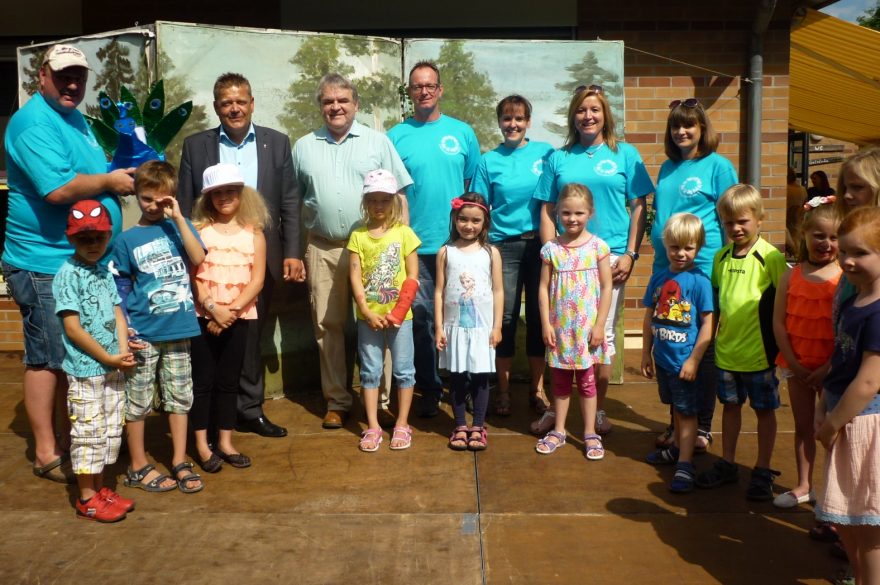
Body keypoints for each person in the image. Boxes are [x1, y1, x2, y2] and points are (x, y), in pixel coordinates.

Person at [2, 43, 134, 484]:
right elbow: (57, 190)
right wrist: (111, 181)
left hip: (81, 261)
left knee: (71, 355)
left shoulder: (74, 118)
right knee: (47, 358)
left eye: (79, 76)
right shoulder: (31, 122)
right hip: (43, 261)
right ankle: (46, 451)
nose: (72, 84)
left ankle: (72, 438)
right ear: (42, 75)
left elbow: (87, 170)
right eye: (63, 76)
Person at [179, 72, 298, 438]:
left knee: (248, 337)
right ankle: (213, 413)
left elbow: (290, 200)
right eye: (227, 102)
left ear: (252, 103)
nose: (235, 108)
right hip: (210, 259)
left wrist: (292, 251)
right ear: (217, 107)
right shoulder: (196, 146)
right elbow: (185, 203)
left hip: (259, 254)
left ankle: (248, 409)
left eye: (241, 101)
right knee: (209, 337)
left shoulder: (276, 143)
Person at [532, 84, 653, 438]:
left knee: (599, 337)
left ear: (605, 115)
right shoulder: (559, 157)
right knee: (558, 334)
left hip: (609, 257)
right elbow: (544, 207)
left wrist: (631, 253)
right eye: (582, 110)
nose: (588, 116)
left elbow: (639, 206)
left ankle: (597, 413)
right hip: (564, 259)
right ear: (574, 114)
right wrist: (551, 253)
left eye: (595, 110)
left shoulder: (625, 154)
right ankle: (557, 412)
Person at [294, 73, 412, 429]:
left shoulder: (377, 142)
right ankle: (338, 401)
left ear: (355, 104)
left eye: (342, 100)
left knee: (385, 321)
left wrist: (399, 244)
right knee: (327, 324)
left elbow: (399, 195)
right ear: (320, 106)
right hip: (325, 247)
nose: (336, 107)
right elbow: (296, 200)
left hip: (377, 250)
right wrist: (298, 251)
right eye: (328, 101)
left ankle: (386, 402)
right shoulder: (303, 146)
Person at [388, 61, 482, 418]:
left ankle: (469, 385)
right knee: (423, 320)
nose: (424, 91)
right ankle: (429, 386)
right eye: (416, 86)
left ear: (440, 90)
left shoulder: (462, 133)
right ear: (409, 93)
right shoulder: (396, 137)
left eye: (430, 85)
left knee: (465, 318)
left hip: (458, 247)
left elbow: (473, 189)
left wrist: (470, 237)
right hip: (415, 248)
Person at [112, 161, 206, 494]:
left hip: (179, 328)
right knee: (137, 401)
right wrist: (127, 333)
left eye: (162, 200)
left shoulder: (181, 228)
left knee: (180, 398)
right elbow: (120, 288)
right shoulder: (126, 240)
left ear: (173, 198)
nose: (154, 206)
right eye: (147, 199)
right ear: (136, 195)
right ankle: (138, 464)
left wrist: (178, 217)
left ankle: (179, 460)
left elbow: (197, 258)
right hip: (144, 333)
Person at [650, 98, 738, 453]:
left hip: (703, 270)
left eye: (689, 125)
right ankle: (677, 424)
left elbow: (732, 217)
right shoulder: (667, 168)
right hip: (667, 270)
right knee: (673, 342)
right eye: (676, 126)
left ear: (702, 128)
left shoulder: (718, 166)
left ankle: (701, 426)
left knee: (703, 346)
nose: (682, 131)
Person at [695, 184, 787, 500]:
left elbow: (783, 304)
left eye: (742, 221)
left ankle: (762, 470)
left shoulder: (771, 257)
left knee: (764, 411)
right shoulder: (720, 258)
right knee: (730, 408)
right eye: (729, 222)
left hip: (759, 354)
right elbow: (719, 303)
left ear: (759, 219)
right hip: (727, 353)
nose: (735, 228)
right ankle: (729, 462)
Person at [53, 200, 135, 522]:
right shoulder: (67, 275)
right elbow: (72, 329)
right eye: (84, 239)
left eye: (98, 238)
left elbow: (117, 315)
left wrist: (123, 350)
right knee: (88, 431)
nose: (92, 245)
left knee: (109, 429)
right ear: (70, 238)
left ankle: (101, 489)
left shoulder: (104, 271)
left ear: (109, 236)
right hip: (87, 370)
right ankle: (86, 497)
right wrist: (108, 357)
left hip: (112, 366)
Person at [471, 95, 553, 417]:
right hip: (503, 248)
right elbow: (478, 205)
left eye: (519, 118)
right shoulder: (488, 161)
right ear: (500, 122)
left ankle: (537, 389)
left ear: (528, 122)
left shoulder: (545, 154)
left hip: (540, 246)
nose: (513, 124)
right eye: (507, 119)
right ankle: (502, 391)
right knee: (502, 319)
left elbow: (555, 198)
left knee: (537, 316)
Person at [815, 207, 880, 585]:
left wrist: (831, 425)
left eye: (862, 253)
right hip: (842, 421)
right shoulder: (853, 301)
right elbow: (838, 365)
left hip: (864, 425)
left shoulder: (877, 312)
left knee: (871, 532)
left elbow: (869, 381)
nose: (849, 261)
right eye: (845, 251)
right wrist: (825, 408)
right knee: (850, 525)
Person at [190, 164, 268, 471]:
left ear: (241, 194)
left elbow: (257, 280)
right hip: (203, 316)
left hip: (238, 317)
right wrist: (212, 308)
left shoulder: (254, 234)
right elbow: (194, 275)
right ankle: (200, 444)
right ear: (208, 197)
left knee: (228, 381)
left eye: (230, 192)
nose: (224, 198)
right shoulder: (199, 231)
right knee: (202, 381)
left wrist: (230, 312)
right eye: (217, 193)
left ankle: (224, 441)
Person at [534, 183, 612, 461]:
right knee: (560, 382)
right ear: (557, 214)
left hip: (587, 331)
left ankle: (590, 432)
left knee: (588, 382)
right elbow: (543, 288)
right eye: (566, 213)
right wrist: (546, 324)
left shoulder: (598, 247)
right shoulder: (551, 249)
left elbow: (606, 287)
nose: (572, 218)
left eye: (579, 213)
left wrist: (600, 324)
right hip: (560, 330)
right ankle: (559, 430)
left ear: (590, 213)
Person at [772, 199, 841, 508]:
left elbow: (847, 332)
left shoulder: (845, 279)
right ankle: (804, 485)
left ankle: (834, 493)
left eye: (834, 237)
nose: (826, 243)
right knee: (802, 428)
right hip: (797, 366)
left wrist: (828, 367)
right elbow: (779, 321)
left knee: (831, 431)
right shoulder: (791, 275)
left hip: (834, 370)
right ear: (804, 234)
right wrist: (795, 364)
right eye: (819, 235)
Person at [641, 213, 715, 493]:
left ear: (698, 247)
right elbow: (649, 316)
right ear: (666, 245)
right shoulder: (659, 277)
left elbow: (709, 323)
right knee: (674, 406)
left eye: (688, 247)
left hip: (685, 361)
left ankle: (685, 463)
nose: (681, 253)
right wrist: (646, 353)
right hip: (663, 359)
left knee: (687, 413)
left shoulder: (699, 281)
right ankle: (675, 448)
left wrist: (695, 359)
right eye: (675, 247)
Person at [347, 170, 420, 451]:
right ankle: (373, 426)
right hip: (369, 318)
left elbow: (412, 276)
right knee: (370, 371)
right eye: (373, 200)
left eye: (384, 200)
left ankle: (402, 423)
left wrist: (398, 312)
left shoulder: (404, 233)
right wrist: (365, 310)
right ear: (365, 202)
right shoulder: (358, 235)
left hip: (401, 319)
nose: (379, 206)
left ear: (394, 202)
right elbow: (355, 276)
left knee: (404, 371)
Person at [435, 194, 503, 451]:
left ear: (485, 222)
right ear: (455, 219)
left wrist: (496, 326)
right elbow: (439, 291)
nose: (468, 225)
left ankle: (479, 426)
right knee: (457, 378)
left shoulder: (491, 253)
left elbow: (498, 290)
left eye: (475, 220)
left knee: (480, 378)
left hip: (482, 330)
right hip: (454, 330)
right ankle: (461, 425)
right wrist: (440, 327)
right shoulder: (446, 252)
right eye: (463, 219)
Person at [785, 166, 809, 257]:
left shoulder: (786, 189)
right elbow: (805, 203)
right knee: (797, 236)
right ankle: (798, 255)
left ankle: (793, 254)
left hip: (788, 215)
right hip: (799, 215)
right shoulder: (802, 189)